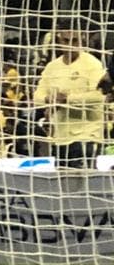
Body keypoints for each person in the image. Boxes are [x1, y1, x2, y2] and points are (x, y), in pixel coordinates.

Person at [33, 28, 110, 168]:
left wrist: (68, 99)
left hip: (86, 136)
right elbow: (37, 97)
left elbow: (100, 96)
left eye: (75, 41)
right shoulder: (52, 67)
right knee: (62, 180)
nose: (70, 45)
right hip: (59, 138)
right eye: (66, 40)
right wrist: (48, 99)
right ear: (59, 42)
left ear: (82, 41)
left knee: (83, 180)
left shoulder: (92, 64)